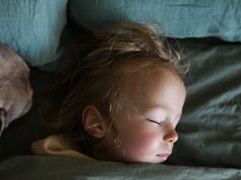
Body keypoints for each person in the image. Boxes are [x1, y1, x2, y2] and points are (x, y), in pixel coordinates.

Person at [32, 22, 188, 163]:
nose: (174, 136)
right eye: (157, 121)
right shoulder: (58, 162)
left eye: (175, 122)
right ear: (97, 123)